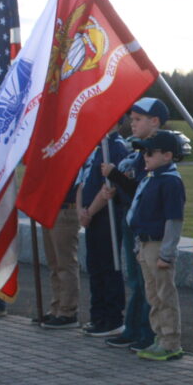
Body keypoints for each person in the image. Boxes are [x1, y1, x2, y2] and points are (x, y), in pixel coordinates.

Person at [101, 98, 167, 351]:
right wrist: (115, 189)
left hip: (148, 226)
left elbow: (144, 187)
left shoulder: (158, 150)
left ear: (155, 121)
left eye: (138, 119)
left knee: (145, 281)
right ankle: (133, 328)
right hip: (132, 218)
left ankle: (147, 332)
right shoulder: (137, 151)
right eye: (132, 118)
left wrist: (115, 176)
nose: (132, 123)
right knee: (136, 279)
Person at [126, 129, 186, 361]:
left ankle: (171, 341)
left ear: (167, 155)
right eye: (143, 152)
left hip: (159, 245)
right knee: (152, 294)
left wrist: (167, 253)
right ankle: (159, 336)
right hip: (144, 244)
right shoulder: (151, 178)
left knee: (164, 294)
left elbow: (174, 220)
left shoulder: (170, 182)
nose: (145, 157)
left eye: (150, 152)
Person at [77, 124, 129, 337]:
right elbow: (82, 181)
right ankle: (97, 316)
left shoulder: (115, 146)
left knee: (109, 265)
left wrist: (89, 211)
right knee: (95, 265)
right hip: (90, 215)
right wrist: (81, 209)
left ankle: (112, 318)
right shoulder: (95, 146)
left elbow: (109, 186)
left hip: (106, 214)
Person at [40, 183, 82, 329]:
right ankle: (56, 307)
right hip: (51, 208)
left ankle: (68, 311)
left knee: (65, 263)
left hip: (66, 209)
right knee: (54, 264)